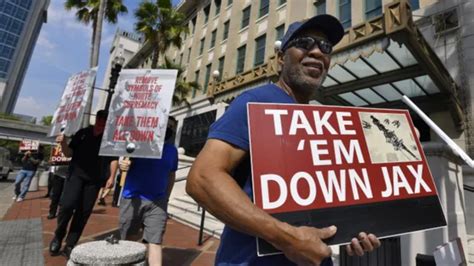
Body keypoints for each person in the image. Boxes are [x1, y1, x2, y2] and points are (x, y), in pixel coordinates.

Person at [186, 14, 381, 265]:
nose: (317, 52)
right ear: (280, 60)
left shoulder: (324, 121)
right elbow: (202, 179)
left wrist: (353, 230)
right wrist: (288, 239)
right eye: (304, 43)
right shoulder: (256, 101)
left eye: (325, 47)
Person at [49, 110, 118, 257]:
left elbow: (113, 158)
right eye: (100, 118)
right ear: (97, 118)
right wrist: (63, 143)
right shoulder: (82, 133)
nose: (102, 122)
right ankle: (58, 235)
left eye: (105, 120)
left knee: (83, 212)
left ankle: (70, 243)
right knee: (67, 206)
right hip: (76, 175)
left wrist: (112, 177)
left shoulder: (109, 139)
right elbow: (68, 154)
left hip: (94, 180)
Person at [118, 116, 178, 266]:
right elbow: (125, 158)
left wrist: (166, 197)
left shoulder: (172, 151)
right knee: (129, 240)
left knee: (155, 241)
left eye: (172, 126)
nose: (169, 129)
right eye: (167, 125)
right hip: (133, 199)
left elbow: (171, 174)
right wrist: (122, 163)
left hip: (158, 202)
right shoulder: (139, 144)